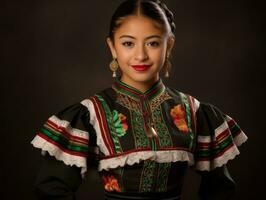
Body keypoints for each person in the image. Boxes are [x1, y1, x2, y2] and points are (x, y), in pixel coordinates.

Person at [31, 0, 248, 199]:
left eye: (152, 43)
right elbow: (52, 189)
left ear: (169, 45)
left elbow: (221, 190)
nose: (141, 55)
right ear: (112, 47)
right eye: (128, 43)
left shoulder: (193, 111)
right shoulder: (91, 113)